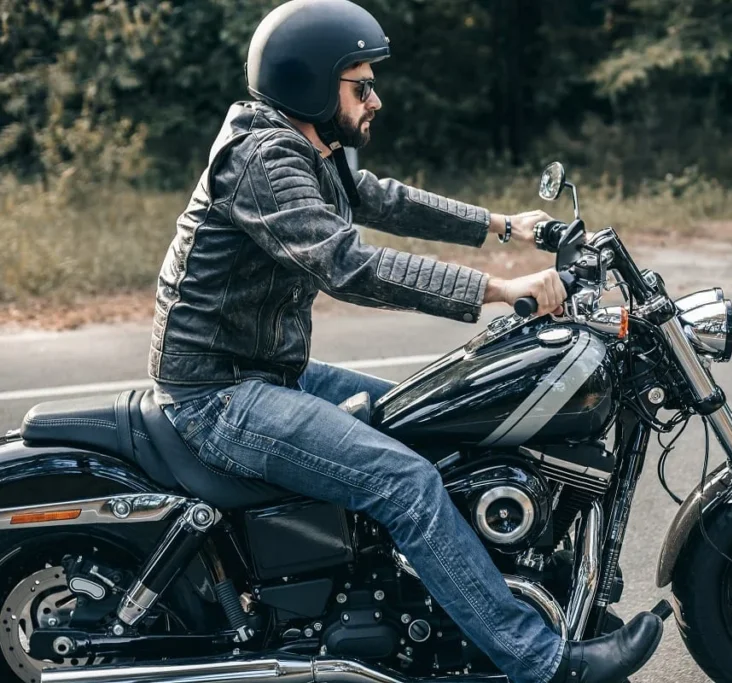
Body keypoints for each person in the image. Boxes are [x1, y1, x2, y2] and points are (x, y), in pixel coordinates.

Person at [148, 1, 662, 681]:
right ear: (309, 84)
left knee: (433, 425)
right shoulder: (265, 161)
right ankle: (541, 661)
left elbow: (381, 197)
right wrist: (500, 290)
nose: (375, 100)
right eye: (359, 85)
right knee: (407, 480)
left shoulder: (305, 146)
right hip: (220, 394)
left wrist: (504, 224)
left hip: (269, 373)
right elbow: (350, 265)